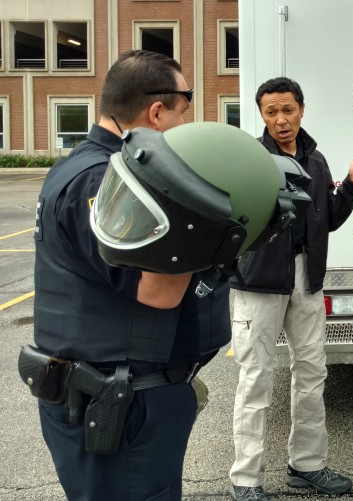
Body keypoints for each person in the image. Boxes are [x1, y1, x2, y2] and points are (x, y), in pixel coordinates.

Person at [30, 50, 224, 500]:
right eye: (183, 113)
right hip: (119, 405)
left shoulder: (87, 168)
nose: (184, 128)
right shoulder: (104, 181)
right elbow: (158, 291)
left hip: (114, 397)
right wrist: (214, 227)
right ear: (157, 113)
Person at [228, 76, 353, 500]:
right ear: (262, 116)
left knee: (311, 373)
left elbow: (326, 218)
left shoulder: (316, 160)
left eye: (287, 109)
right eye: (271, 112)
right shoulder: (250, 159)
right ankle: (245, 479)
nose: (281, 119)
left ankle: (306, 465)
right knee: (255, 377)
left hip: (306, 279)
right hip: (258, 284)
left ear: (302, 110)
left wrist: (349, 185)